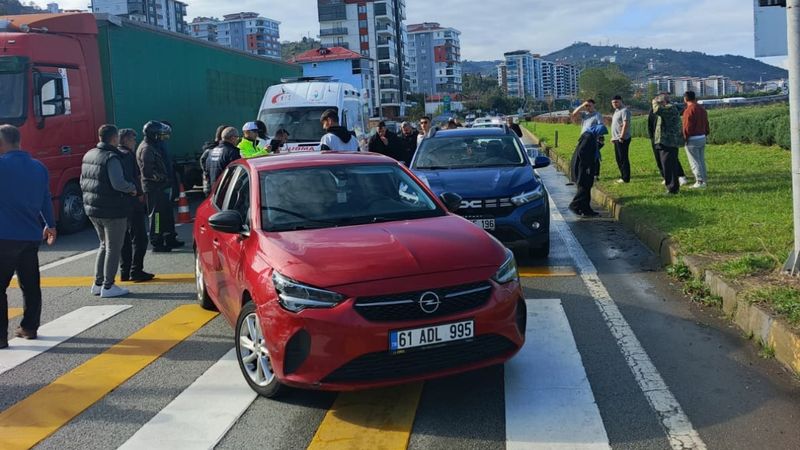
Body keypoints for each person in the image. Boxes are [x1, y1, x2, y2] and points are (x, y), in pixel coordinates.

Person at [0, 125, 57, 347]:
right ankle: (29, 327)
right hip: (31, 236)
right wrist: (50, 225)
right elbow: (46, 199)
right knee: (31, 284)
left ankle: (1, 337)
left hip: (4, 236)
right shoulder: (39, 167)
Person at [81, 124, 138, 298]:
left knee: (104, 245)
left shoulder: (89, 154)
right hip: (112, 209)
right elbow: (118, 183)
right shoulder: (112, 157)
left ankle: (98, 283)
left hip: (93, 208)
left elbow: (82, 181)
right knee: (114, 247)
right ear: (114, 138)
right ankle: (108, 285)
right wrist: (132, 188)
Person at [138, 120, 182, 253]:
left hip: (162, 187)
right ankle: (157, 241)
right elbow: (147, 172)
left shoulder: (155, 145)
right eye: (161, 135)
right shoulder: (147, 148)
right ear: (154, 135)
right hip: (154, 188)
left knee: (167, 214)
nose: (163, 137)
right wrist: (162, 178)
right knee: (156, 216)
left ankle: (170, 238)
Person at [117, 128, 154, 283]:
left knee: (124, 238)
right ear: (125, 140)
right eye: (132, 139)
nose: (134, 142)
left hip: (119, 203)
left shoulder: (114, 154)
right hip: (131, 202)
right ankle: (136, 270)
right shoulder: (128, 155)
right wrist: (139, 193)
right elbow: (134, 177)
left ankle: (125, 270)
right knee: (139, 238)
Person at [648, 94, 688, 186]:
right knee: (666, 163)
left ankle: (673, 186)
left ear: (664, 102)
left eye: (659, 103)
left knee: (669, 164)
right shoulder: (666, 109)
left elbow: (657, 110)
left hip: (669, 141)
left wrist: (654, 102)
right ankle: (671, 185)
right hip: (664, 141)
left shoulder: (670, 108)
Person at [569, 124, 608, 217]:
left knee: (587, 186)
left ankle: (585, 209)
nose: (601, 135)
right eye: (601, 133)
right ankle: (575, 205)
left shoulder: (590, 135)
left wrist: (599, 145)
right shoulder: (588, 137)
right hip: (583, 167)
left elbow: (589, 149)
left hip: (583, 166)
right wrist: (587, 166)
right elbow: (582, 152)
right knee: (584, 187)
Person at [682, 90, 710, 189]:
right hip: (702, 136)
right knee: (701, 160)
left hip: (692, 139)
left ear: (685, 99)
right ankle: (704, 179)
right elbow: (706, 123)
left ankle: (700, 181)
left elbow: (687, 127)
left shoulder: (688, 110)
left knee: (694, 161)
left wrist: (684, 138)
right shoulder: (702, 109)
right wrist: (706, 132)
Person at [200, 125, 229, 196]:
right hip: (215, 186)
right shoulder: (218, 150)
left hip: (209, 185)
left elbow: (203, 164)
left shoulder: (210, 150)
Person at [610, 95, 632, 184]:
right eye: (613, 102)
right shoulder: (616, 111)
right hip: (616, 138)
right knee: (618, 158)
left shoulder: (624, 111)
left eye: (616, 102)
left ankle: (625, 178)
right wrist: (613, 137)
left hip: (622, 138)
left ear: (621, 101)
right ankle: (623, 176)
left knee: (623, 158)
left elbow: (625, 124)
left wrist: (621, 136)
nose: (614, 104)